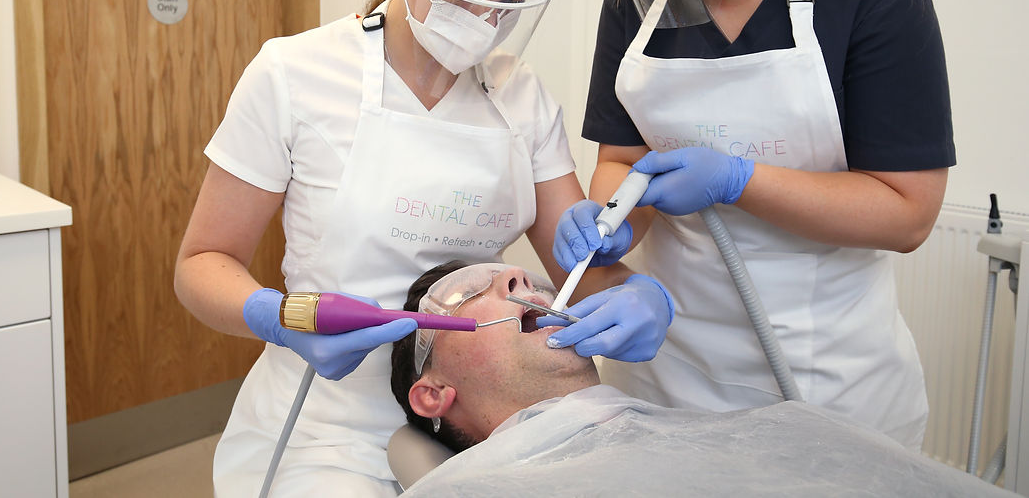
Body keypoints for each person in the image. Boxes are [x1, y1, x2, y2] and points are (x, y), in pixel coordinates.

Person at [173, 0, 598, 497]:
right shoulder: (296, 74)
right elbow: (200, 264)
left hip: (475, 422)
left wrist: (629, 298)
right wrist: (280, 318)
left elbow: (582, 275)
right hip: (323, 423)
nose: (487, 18)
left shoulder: (521, 96)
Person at [551, 0, 954, 450]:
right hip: (674, 370)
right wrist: (614, 217)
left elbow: (905, 213)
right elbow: (620, 158)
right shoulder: (631, 2)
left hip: (831, 379)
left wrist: (739, 180)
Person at [389, 262, 1004, 498]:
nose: (521, 280)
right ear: (433, 392)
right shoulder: (474, 490)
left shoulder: (764, 428)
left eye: (518, 276)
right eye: (468, 293)